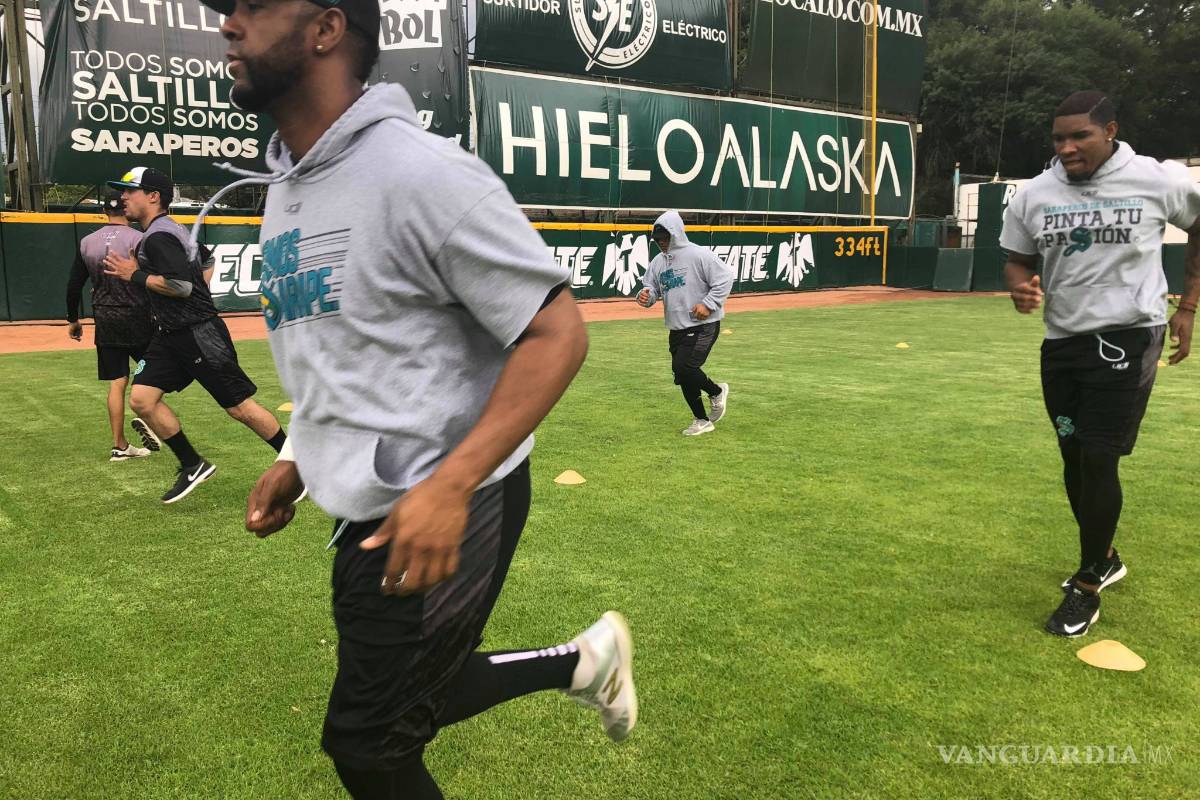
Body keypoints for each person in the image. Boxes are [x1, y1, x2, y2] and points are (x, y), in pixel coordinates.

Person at [194, 1, 639, 797]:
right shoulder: (287, 186)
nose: (231, 25)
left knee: (370, 743)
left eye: (255, 7)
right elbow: (349, 350)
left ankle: (585, 662)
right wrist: (298, 456)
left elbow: (557, 334)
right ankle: (585, 662)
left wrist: (451, 484)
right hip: (370, 503)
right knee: (397, 697)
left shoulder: (422, 173)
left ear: (327, 30)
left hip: (451, 497)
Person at [1000, 90, 1200, 637]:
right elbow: (1017, 261)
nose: (1066, 148)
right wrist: (1021, 289)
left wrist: (1187, 305)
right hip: (1062, 344)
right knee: (1072, 454)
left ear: (1109, 131)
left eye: (1079, 136)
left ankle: (1088, 584)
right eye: (1058, 138)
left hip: (1130, 339)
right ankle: (1105, 555)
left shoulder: (1159, 179)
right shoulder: (1035, 194)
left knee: (1097, 456)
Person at [101, 166, 290, 504]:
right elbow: (205, 262)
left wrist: (136, 275)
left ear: (153, 196)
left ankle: (297, 464)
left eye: (130, 191)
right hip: (170, 334)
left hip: (197, 333)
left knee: (239, 408)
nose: (123, 197)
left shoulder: (159, 236)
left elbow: (182, 286)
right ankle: (192, 464)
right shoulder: (167, 230)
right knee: (142, 399)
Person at [65, 190, 159, 461]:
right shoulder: (140, 239)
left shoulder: (87, 242)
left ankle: (120, 446)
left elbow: (74, 286)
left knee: (117, 382)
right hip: (140, 319)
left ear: (105, 211)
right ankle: (149, 419)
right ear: (127, 209)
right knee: (151, 375)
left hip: (106, 320)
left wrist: (73, 320)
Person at [635, 210, 733, 436]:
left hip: (703, 324)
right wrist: (645, 296)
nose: (661, 243)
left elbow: (725, 278)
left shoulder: (699, 255)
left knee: (684, 367)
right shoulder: (658, 262)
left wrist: (708, 304)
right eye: (657, 240)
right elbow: (651, 290)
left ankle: (716, 391)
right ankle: (701, 420)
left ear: (676, 234)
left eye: (664, 238)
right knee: (682, 374)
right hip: (676, 326)